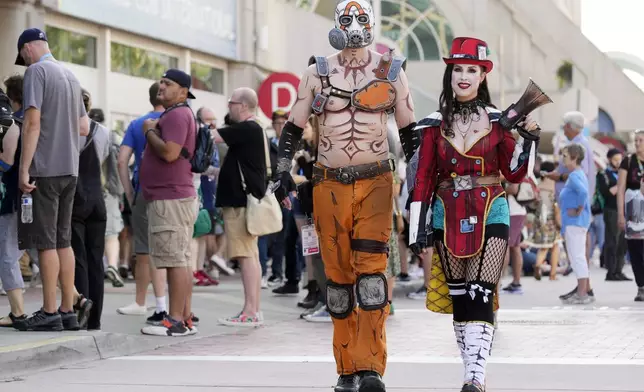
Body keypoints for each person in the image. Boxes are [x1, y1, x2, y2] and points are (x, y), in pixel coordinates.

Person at [273, 1, 418, 391]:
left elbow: (410, 133)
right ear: (336, 22)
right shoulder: (317, 72)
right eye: (347, 19)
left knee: (372, 274)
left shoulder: (392, 72)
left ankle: (370, 366)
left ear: (373, 23)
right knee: (337, 279)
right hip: (329, 184)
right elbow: (293, 124)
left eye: (362, 19)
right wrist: (282, 168)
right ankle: (346, 366)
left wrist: (419, 184)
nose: (354, 26)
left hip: (376, 182)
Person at [408, 37, 540, 392]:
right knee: (461, 295)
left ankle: (475, 377)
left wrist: (527, 138)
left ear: (483, 76)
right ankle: (471, 368)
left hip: (492, 206)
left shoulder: (500, 121)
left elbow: (514, 174)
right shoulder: (431, 125)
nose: (463, 76)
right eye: (458, 69)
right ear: (449, 73)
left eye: (472, 70)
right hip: (446, 212)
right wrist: (415, 231)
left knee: (482, 289)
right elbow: (422, 179)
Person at [15, 27, 90, 331]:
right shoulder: (71, 76)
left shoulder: (37, 72)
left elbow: (32, 122)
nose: (23, 59)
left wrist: (24, 167)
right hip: (70, 169)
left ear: (28, 48)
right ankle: (67, 310)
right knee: (63, 240)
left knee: (45, 243)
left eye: (22, 55)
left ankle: (49, 312)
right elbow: (84, 126)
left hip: (44, 170)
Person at [138, 69, 198, 337]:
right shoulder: (180, 113)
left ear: (183, 91)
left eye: (168, 83)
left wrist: (150, 131)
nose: (161, 86)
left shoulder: (175, 115)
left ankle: (174, 320)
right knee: (181, 259)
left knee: (175, 260)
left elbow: (170, 153)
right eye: (161, 82)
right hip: (174, 196)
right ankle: (183, 317)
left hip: (169, 198)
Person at [212, 87, 267, 326]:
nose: (229, 107)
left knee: (245, 256)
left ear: (243, 105)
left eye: (231, 103)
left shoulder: (248, 128)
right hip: (244, 201)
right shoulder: (254, 129)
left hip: (239, 202)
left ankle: (250, 311)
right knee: (250, 255)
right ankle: (253, 309)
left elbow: (215, 136)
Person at [116, 82, 169, 325]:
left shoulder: (138, 124)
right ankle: (176, 305)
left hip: (144, 192)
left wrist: (129, 193)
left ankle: (140, 301)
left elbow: (122, 160)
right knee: (177, 251)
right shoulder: (179, 118)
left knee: (144, 250)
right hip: (175, 193)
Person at [558, 144, 592, 304]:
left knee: (578, 257)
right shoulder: (577, 174)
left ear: (574, 157)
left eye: (565, 156)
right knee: (577, 257)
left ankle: (582, 293)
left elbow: (583, 193)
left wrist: (578, 208)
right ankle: (581, 291)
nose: (563, 159)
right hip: (576, 222)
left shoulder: (574, 176)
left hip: (575, 222)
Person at [617, 130, 644, 301]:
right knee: (635, 249)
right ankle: (641, 286)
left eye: (641, 140)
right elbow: (620, 189)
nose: (638, 143)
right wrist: (621, 214)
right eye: (636, 140)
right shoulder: (628, 161)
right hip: (633, 211)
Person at [599, 148, 629, 281]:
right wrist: (622, 183)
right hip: (611, 210)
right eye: (615, 160)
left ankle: (619, 270)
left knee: (623, 241)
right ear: (609, 160)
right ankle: (610, 271)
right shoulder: (604, 174)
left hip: (625, 209)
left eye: (620, 159)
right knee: (612, 241)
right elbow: (607, 192)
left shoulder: (624, 173)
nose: (618, 162)